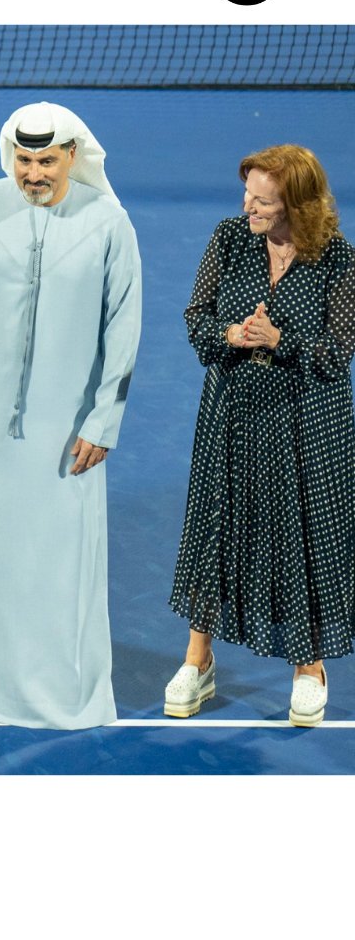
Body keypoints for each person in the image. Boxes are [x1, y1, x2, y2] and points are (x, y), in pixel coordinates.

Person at [0, 101, 141, 729]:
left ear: (72, 155)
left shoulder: (108, 222)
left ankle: (67, 693)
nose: (34, 173)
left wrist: (103, 421)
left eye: (47, 160)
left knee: (57, 564)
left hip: (65, 432)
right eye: (24, 160)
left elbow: (122, 329)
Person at [165, 145, 355, 727]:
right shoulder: (229, 239)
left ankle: (309, 667)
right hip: (232, 413)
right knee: (215, 526)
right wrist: (231, 333)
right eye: (247, 193)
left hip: (308, 427)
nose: (248, 206)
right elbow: (196, 319)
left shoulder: (339, 260)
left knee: (303, 536)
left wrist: (279, 341)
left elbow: (337, 356)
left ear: (296, 202)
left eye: (263, 200)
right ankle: (199, 658)